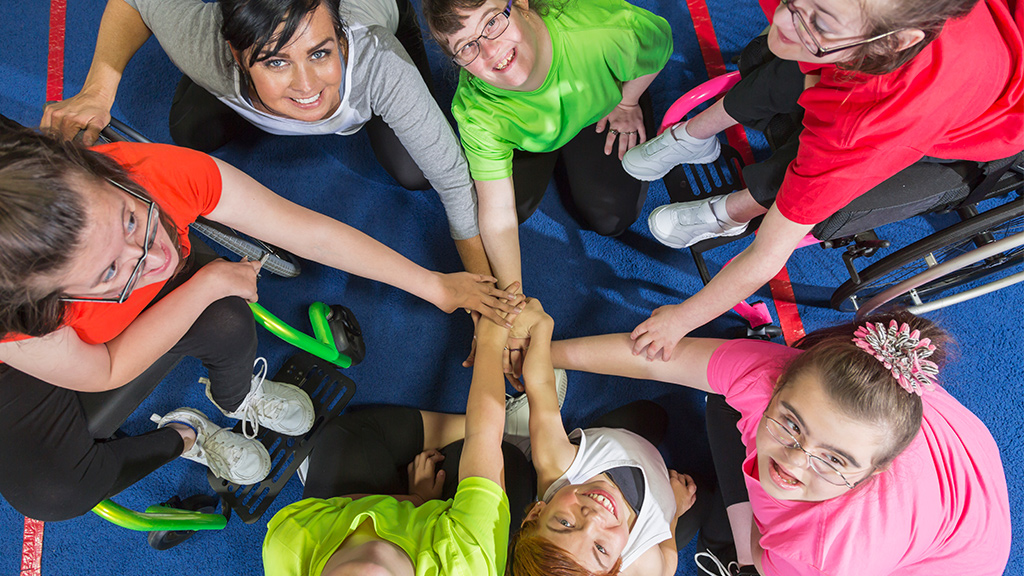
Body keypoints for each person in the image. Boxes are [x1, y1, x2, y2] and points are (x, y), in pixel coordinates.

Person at [0, 118, 519, 522]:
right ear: (49, 302)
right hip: (37, 363)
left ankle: (235, 395)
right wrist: (205, 280)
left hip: (85, 339)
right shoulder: (22, 316)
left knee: (227, 318)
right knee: (54, 493)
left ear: (104, 173)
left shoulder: (155, 174)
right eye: (112, 269)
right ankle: (186, 435)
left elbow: (302, 230)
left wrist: (433, 284)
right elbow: (103, 369)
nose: (153, 256)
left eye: (131, 218)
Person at [623, 0, 1022, 360]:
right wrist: (814, 37)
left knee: (809, 174)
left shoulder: (863, 124)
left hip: (986, 122)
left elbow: (768, 255)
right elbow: (807, 28)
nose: (780, 17)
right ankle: (694, 135)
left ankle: (734, 211)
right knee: (788, 53)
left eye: (820, 21)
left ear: (898, 40)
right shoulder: (837, 18)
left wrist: (680, 321)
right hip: (963, 33)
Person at [39, 0, 492, 275]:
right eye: (276, 61)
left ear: (338, 37)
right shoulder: (208, 48)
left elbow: (453, 181)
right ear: (237, 54)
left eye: (321, 53)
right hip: (230, 64)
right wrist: (98, 89)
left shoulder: (380, 66)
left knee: (415, 172)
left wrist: (488, 306)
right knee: (191, 130)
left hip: (383, 21)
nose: (307, 86)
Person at [550, 312, 1012, 575]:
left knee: (745, 552)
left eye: (834, 459)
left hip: (954, 553)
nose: (793, 460)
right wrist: (540, 350)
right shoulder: (773, 375)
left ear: (875, 472)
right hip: (957, 470)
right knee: (721, 406)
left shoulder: (830, 554)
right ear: (779, 383)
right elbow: (656, 361)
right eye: (790, 424)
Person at [421, 0, 673, 301]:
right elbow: (498, 212)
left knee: (611, 218)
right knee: (504, 213)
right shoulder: (476, 108)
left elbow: (659, 43)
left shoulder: (603, 32)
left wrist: (627, 101)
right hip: (532, 141)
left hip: (600, 110)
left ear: (521, 4)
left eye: (491, 22)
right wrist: (514, 302)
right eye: (467, 47)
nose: (491, 52)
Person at [263, 289, 526, 576]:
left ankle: (417, 481)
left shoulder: (289, 545)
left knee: (339, 436)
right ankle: (505, 426)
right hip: (445, 535)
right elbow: (483, 437)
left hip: (349, 515)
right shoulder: (469, 563)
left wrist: (414, 501)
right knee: (510, 464)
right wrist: (492, 335)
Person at [506, 299, 702, 576]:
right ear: (617, 567)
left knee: (652, 414)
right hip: (660, 496)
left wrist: (541, 325)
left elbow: (540, 386)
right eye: (600, 548)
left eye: (564, 523)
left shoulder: (556, 464)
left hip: (620, 440)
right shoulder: (643, 565)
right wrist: (673, 515)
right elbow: (669, 567)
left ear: (537, 512)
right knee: (703, 494)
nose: (594, 518)